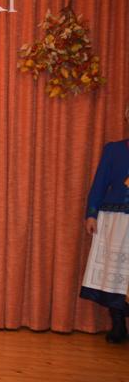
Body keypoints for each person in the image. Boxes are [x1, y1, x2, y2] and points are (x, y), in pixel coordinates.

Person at [81, 122, 129, 344]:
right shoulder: (113, 149)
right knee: (115, 269)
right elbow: (100, 182)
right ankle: (118, 324)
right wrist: (91, 214)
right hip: (116, 220)